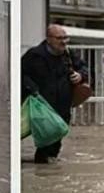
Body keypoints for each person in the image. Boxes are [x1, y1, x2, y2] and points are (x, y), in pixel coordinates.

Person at [21, 24, 89, 163]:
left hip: (63, 104)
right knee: (46, 132)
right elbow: (21, 74)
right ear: (49, 39)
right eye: (59, 38)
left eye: (66, 38)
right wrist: (32, 90)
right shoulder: (35, 55)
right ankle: (43, 161)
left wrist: (80, 75)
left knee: (58, 131)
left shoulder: (69, 54)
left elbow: (84, 67)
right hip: (42, 104)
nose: (63, 41)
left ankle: (48, 160)